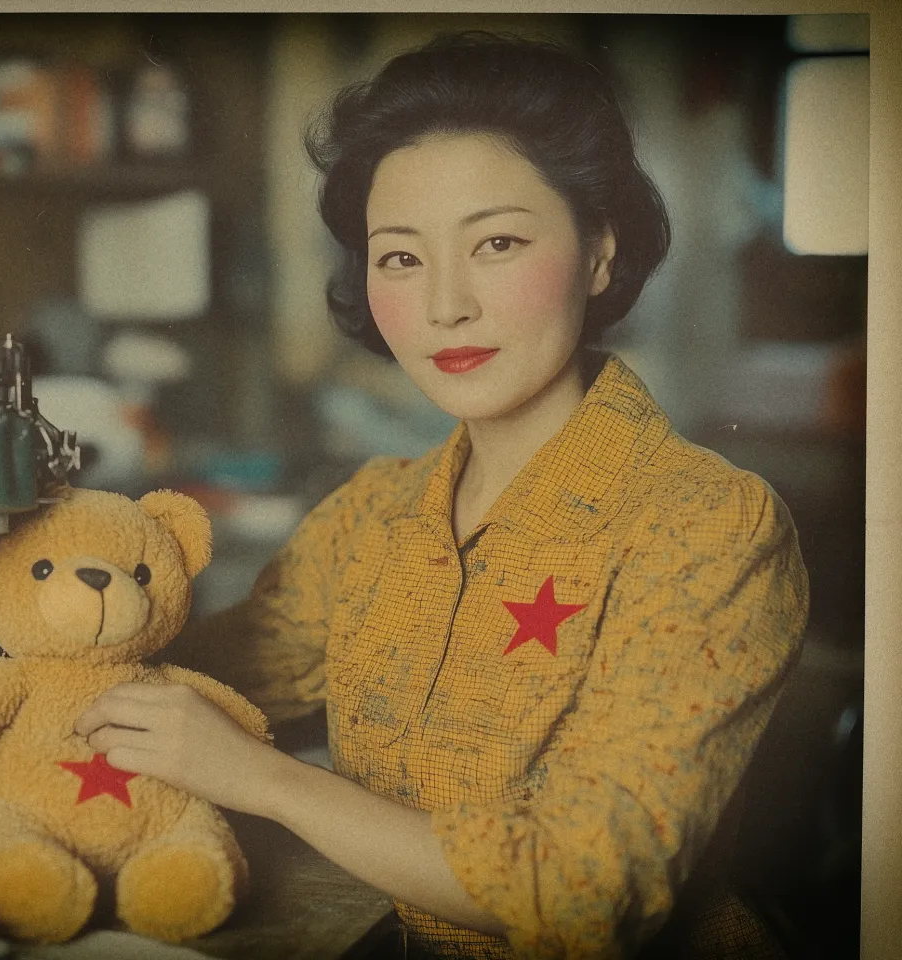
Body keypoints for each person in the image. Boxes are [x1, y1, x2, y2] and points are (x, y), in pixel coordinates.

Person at [74, 31, 809, 960]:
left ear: (597, 252)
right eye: (401, 257)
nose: (445, 306)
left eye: (497, 242)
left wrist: (265, 781)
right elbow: (176, 687)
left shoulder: (709, 525)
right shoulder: (373, 513)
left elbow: (588, 890)